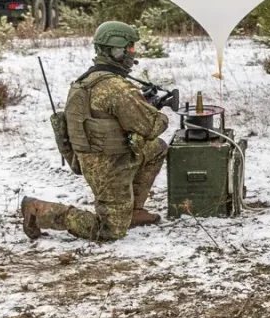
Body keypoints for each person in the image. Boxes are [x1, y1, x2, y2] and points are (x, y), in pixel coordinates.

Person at [20, 21, 169, 242]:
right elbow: (152, 126)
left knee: (156, 149)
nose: (132, 54)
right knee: (108, 232)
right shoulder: (116, 88)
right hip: (108, 164)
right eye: (129, 48)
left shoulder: (87, 80)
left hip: (92, 156)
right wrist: (156, 111)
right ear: (116, 51)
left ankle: (132, 211)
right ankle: (39, 209)